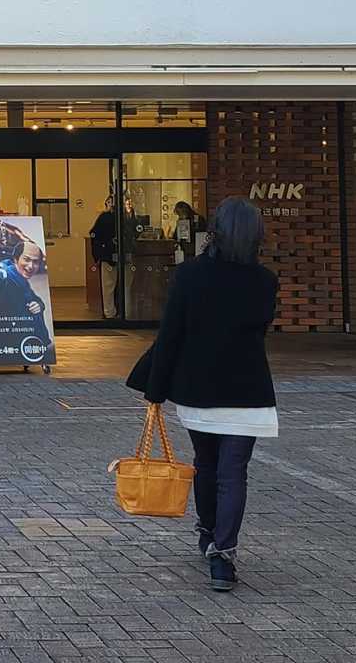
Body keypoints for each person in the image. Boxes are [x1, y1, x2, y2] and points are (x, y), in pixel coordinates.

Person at [125, 196, 277, 592]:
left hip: (199, 388)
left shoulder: (190, 275)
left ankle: (208, 533)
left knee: (206, 464)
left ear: (216, 231)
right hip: (249, 390)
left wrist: (155, 389)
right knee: (233, 472)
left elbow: (171, 335)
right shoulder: (265, 281)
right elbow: (260, 330)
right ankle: (222, 556)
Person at [88, 195, 123, 319]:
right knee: (121, 286)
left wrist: (98, 255)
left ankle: (110, 312)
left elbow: (94, 234)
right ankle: (121, 311)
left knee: (108, 286)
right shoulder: (123, 217)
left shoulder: (105, 217)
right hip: (118, 256)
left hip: (108, 256)